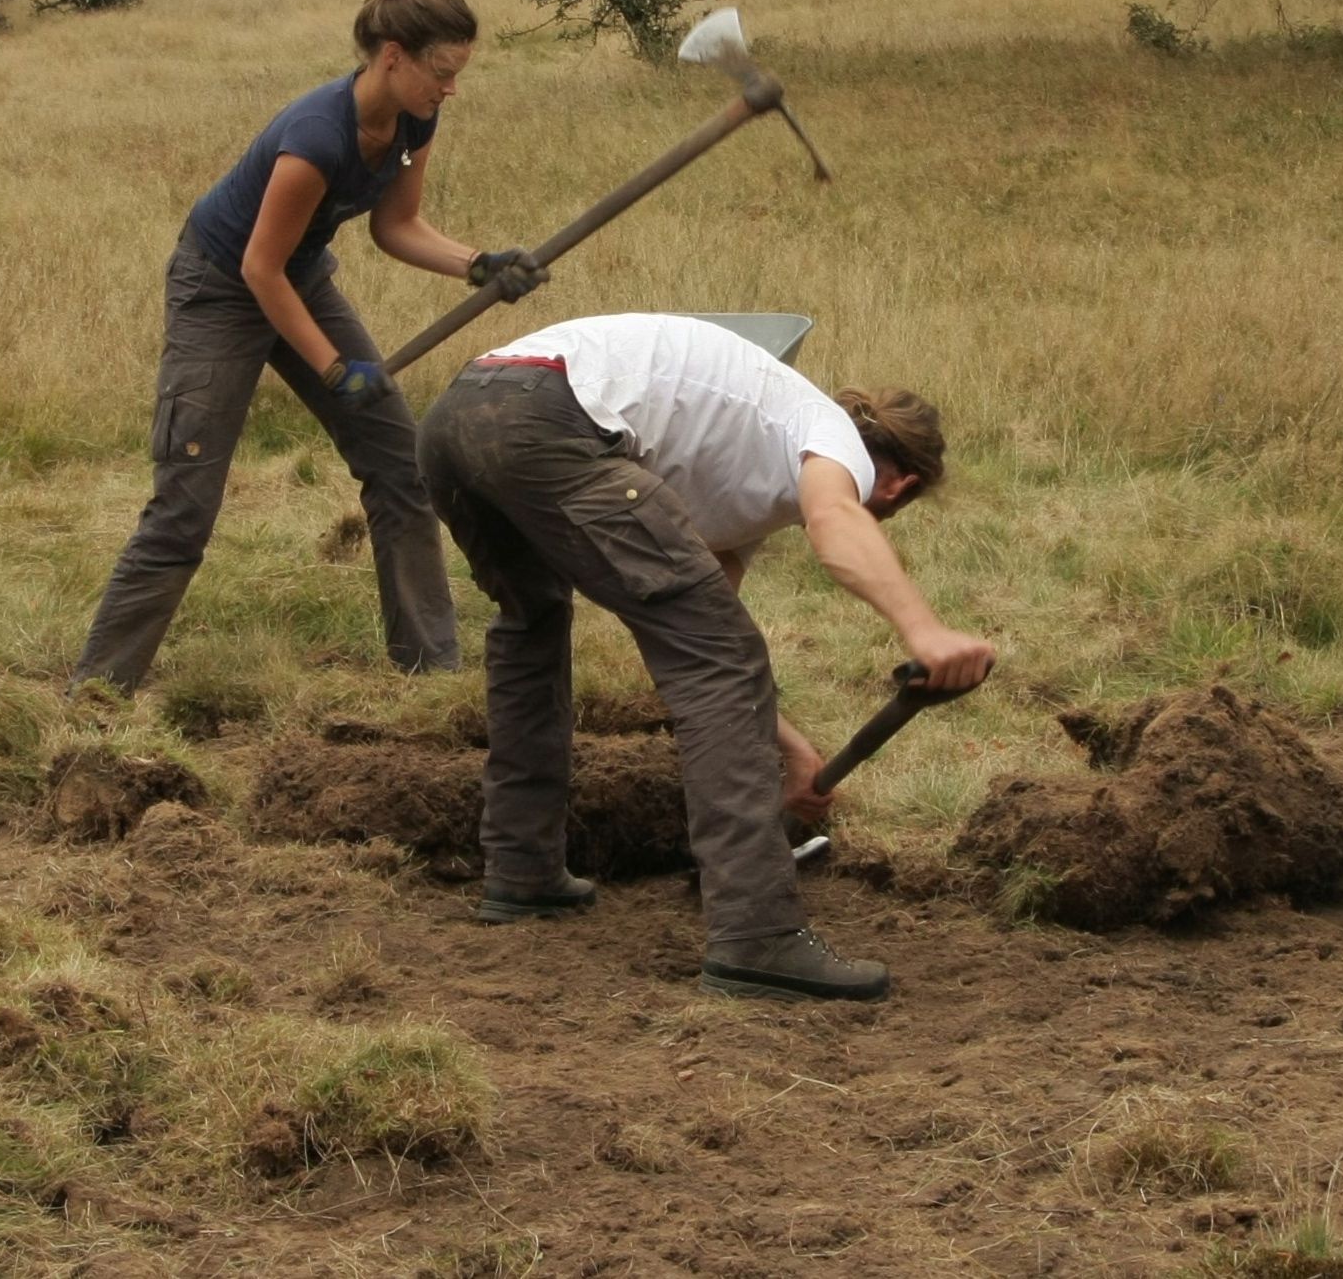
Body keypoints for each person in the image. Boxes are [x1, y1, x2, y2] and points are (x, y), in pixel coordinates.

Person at [418, 312, 995, 1002]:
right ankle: (757, 933)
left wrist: (791, 751)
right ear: (899, 486)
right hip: (546, 418)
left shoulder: (738, 481)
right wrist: (923, 630)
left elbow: (691, 645)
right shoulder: (827, 435)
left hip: (459, 416)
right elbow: (834, 523)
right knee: (720, 659)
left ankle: (522, 869)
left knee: (532, 622)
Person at [73, 0, 544, 692]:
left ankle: (428, 671)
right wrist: (331, 369)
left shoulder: (414, 122)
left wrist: (479, 263)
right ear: (393, 58)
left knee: (399, 469)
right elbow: (256, 268)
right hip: (218, 290)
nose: (452, 88)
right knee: (185, 504)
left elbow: (397, 227)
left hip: (299, 277)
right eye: (442, 72)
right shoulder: (315, 137)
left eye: (459, 74)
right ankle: (96, 692)